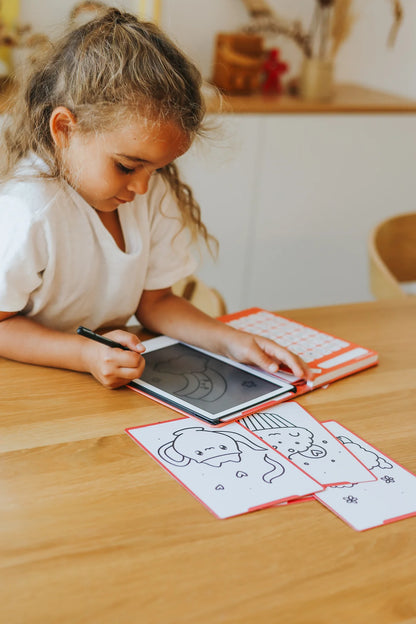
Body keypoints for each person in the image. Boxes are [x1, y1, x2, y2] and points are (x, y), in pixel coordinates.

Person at [0, 8, 311, 389]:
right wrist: (83, 354)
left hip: (103, 382)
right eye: (128, 167)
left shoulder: (147, 195)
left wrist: (234, 342)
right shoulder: (28, 209)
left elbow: (156, 303)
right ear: (64, 129)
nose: (143, 188)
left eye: (158, 169)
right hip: (29, 391)